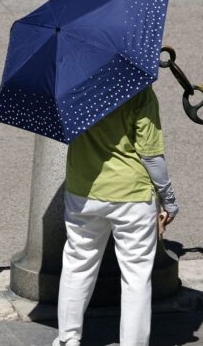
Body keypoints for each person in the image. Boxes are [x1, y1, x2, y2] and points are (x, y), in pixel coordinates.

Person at [53, 86, 179, 346]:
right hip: (132, 194)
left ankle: (68, 339)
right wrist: (168, 199)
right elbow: (152, 156)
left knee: (78, 263)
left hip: (83, 189)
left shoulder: (73, 84)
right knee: (135, 274)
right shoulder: (137, 89)